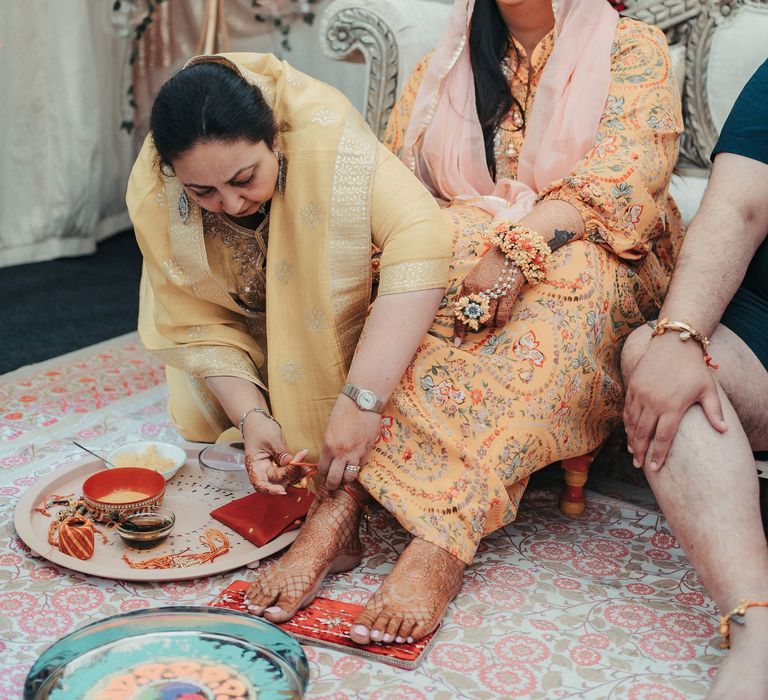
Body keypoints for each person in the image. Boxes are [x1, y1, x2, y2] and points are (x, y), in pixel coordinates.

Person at [243, 0, 684, 646]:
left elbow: (623, 186)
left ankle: (442, 535)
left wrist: (517, 248)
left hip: (602, 250)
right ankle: (341, 506)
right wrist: (455, 250)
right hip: (475, 251)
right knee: (422, 263)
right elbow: (399, 199)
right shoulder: (444, 63)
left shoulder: (631, 48)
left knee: (568, 286)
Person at [127, 52, 452, 572]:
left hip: (340, 326)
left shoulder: (322, 127)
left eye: (245, 178)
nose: (231, 204)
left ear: (274, 138)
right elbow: (193, 317)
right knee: (202, 417)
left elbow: (423, 236)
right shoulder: (154, 189)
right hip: (243, 322)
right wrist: (251, 416)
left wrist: (362, 400)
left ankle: (355, 509)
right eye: (202, 191)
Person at [621, 60, 768, 700]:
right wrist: (681, 337)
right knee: (650, 358)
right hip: (758, 339)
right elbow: (739, 207)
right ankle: (758, 625)